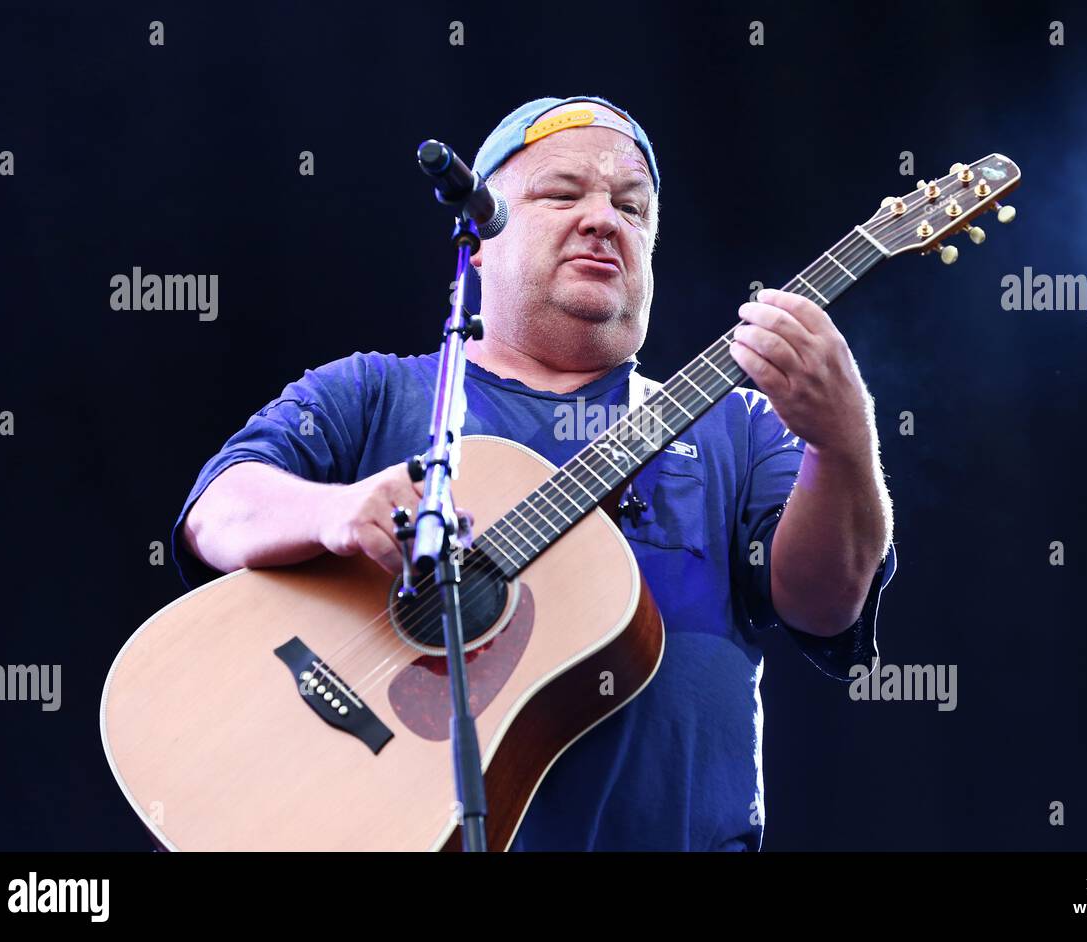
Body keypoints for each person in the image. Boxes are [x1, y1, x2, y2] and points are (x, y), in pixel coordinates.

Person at [174, 94, 896, 851]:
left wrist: (844, 442)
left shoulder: (743, 425)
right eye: (562, 192)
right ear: (478, 239)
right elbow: (216, 512)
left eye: (632, 206)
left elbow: (825, 605)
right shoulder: (374, 392)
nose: (603, 219)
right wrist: (337, 511)